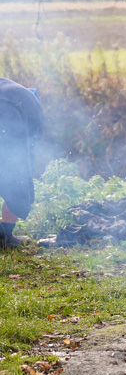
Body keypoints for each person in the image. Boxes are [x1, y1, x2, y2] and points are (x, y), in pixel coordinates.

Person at [0, 77, 44, 249]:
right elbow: (28, 150)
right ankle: (5, 235)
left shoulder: (12, 89)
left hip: (10, 112)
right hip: (9, 114)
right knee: (17, 174)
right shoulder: (30, 104)